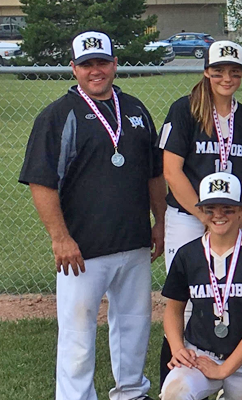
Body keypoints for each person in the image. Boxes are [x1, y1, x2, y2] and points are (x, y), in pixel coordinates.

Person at [19, 31, 164, 400]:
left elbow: (153, 173)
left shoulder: (135, 110)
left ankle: (131, 391)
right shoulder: (56, 116)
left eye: (102, 62)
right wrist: (59, 237)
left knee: (134, 325)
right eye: (86, 64)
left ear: (115, 64)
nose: (95, 70)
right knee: (78, 333)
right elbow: (41, 181)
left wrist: (160, 220)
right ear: (74, 68)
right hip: (82, 247)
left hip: (133, 240)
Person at [158, 39, 242, 386]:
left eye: (234, 72)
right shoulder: (184, 110)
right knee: (185, 300)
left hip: (228, 221)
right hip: (189, 218)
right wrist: (204, 218)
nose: (226, 78)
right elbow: (172, 171)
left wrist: (238, 216)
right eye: (218, 71)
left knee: (229, 294)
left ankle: (233, 375)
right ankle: (172, 380)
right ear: (206, 72)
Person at [161, 172, 242, 400]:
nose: (218, 215)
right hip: (200, 354)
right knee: (174, 392)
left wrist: (224, 369)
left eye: (227, 209)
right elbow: (173, 309)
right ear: (201, 211)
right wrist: (178, 348)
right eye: (210, 209)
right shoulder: (188, 254)